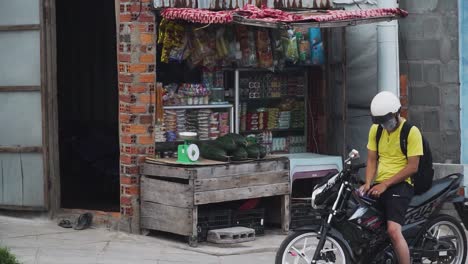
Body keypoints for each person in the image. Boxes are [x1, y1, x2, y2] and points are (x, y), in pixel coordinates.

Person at [360, 91, 423, 264]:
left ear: (397, 113)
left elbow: (412, 167)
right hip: (381, 184)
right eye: (380, 121)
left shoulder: (411, 132)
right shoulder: (376, 130)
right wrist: (367, 183)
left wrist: (386, 184)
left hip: (401, 184)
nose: (384, 124)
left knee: (393, 231)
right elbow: (372, 159)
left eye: (386, 119)